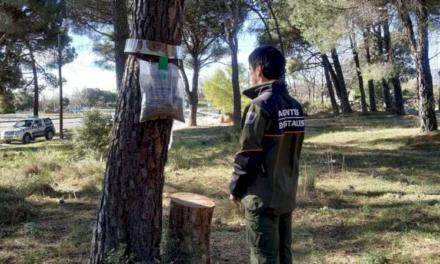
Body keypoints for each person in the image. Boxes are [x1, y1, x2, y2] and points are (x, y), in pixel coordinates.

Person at [229, 46, 305, 264]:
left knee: (263, 256)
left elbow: (248, 154)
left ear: (259, 69)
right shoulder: (295, 106)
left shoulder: (260, 106)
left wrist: (236, 188)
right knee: (284, 255)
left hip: (262, 199)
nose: (251, 74)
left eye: (250, 69)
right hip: (286, 194)